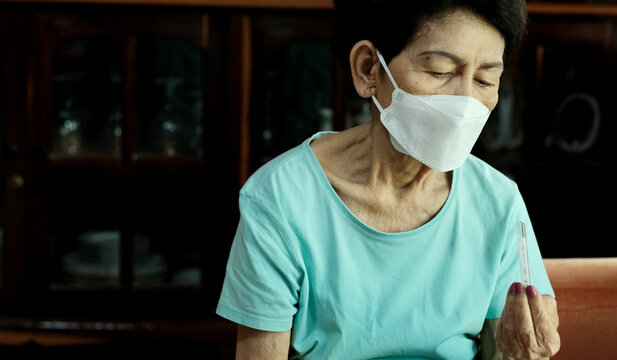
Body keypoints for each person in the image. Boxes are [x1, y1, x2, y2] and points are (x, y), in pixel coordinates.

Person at [216, 0, 561, 358]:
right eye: (440, 71)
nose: (465, 104)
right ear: (368, 69)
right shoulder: (280, 199)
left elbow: (504, 349)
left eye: (485, 79)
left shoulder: (498, 201)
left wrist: (524, 352)